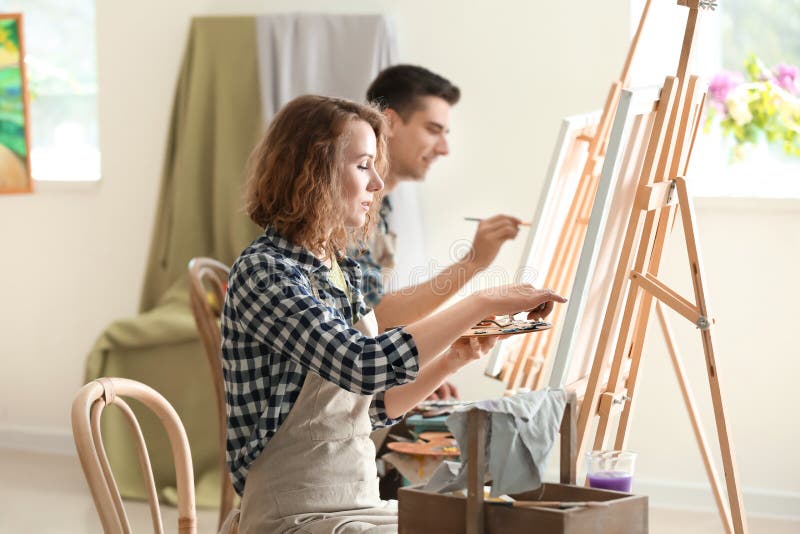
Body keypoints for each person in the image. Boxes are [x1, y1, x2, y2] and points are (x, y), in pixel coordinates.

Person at [221, 94, 565, 533]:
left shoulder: (338, 267)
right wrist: (479, 302)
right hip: (292, 515)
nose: (377, 183)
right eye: (363, 166)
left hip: (358, 502)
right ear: (314, 171)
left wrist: (454, 357)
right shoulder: (264, 271)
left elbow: (373, 408)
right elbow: (365, 365)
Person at [351, 65, 524, 399]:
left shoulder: (382, 208)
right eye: (433, 130)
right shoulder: (350, 208)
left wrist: (416, 375)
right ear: (389, 122)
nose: (444, 148)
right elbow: (372, 316)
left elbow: (369, 322)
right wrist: (472, 264)